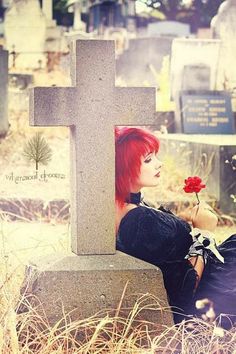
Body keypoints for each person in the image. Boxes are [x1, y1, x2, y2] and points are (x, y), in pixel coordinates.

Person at [115, 126, 236, 329]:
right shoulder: (137, 221)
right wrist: (205, 232)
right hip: (214, 294)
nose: (159, 164)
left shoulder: (127, 206)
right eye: (148, 160)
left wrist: (184, 221)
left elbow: (165, 248)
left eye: (155, 157)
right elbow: (185, 291)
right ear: (123, 167)